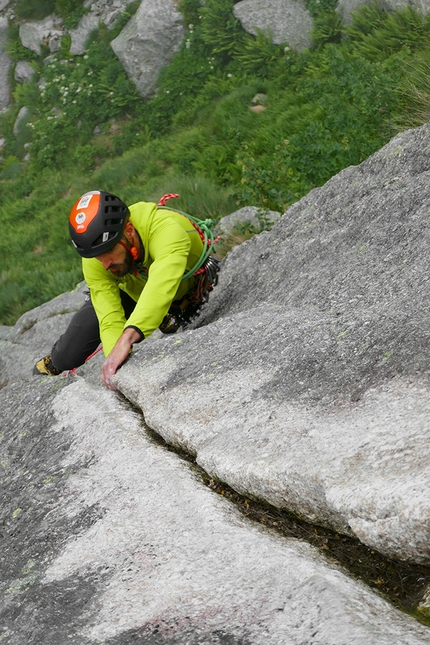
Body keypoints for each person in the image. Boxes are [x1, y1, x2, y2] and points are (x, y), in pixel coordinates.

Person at [33, 190, 220, 390]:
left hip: (179, 288)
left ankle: (161, 315)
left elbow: (161, 283)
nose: (104, 263)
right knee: (69, 352)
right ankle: (53, 362)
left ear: (129, 230)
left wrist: (129, 335)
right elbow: (109, 315)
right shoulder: (95, 259)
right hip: (134, 290)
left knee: (155, 296)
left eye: (108, 252)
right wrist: (116, 358)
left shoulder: (166, 230)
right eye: (97, 256)